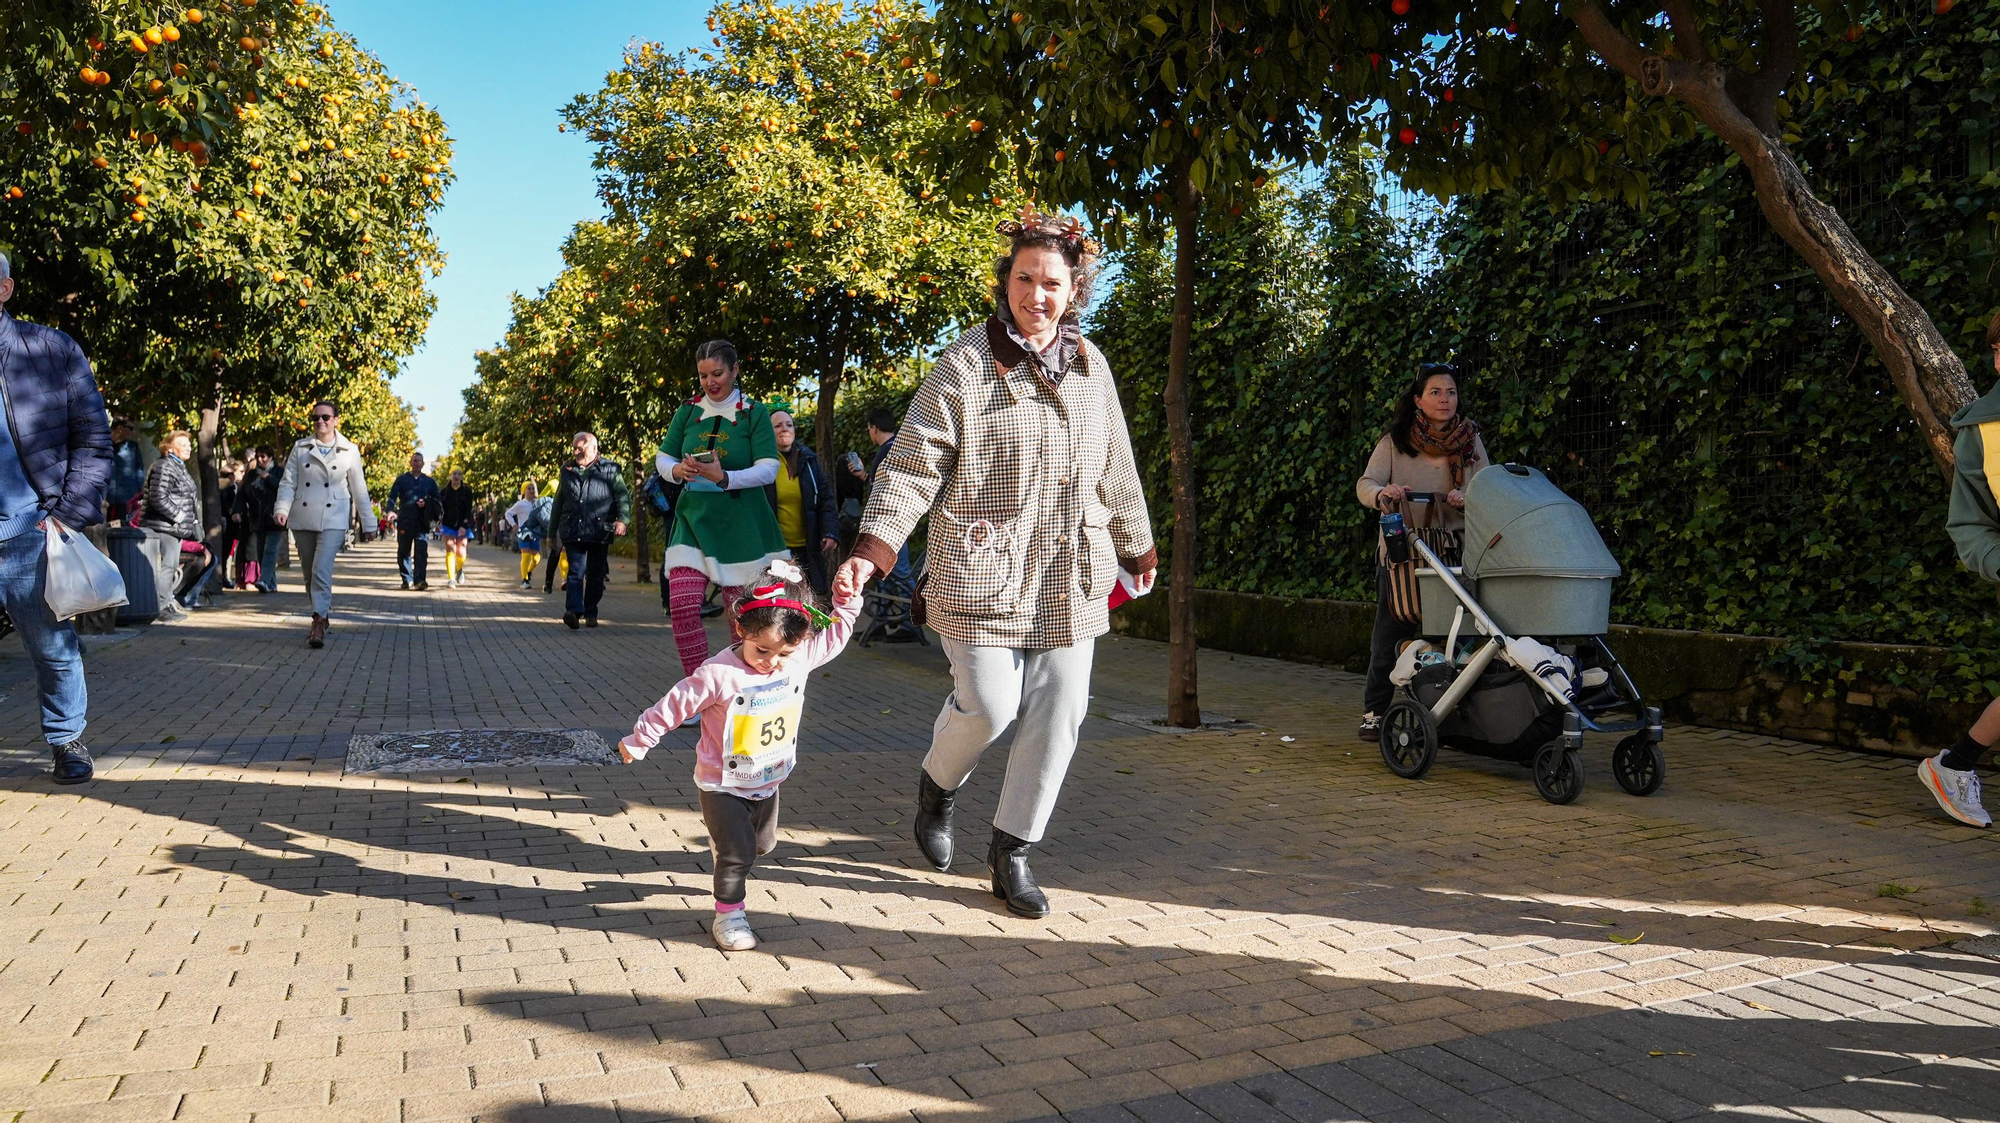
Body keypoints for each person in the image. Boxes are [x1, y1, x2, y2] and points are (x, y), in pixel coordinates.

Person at [834, 212, 1157, 919]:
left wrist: (1138, 543)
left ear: (1073, 289)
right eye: (1023, 278)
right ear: (1004, 282)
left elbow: (1117, 463)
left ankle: (1012, 850)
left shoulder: (1092, 365)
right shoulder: (966, 363)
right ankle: (936, 788)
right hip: (981, 569)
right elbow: (912, 466)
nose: (1036, 294)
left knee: (1062, 708)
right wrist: (873, 549)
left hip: (1069, 573)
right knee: (991, 704)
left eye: (1051, 282)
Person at [617, 559, 861, 950]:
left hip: (768, 778)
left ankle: (727, 849)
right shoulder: (719, 674)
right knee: (738, 853)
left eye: (783, 653)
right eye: (762, 650)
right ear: (741, 629)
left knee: (761, 845)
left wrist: (847, 602)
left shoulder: (796, 659)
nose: (772, 662)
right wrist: (640, 738)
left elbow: (836, 634)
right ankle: (729, 915)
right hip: (721, 783)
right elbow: (676, 703)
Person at [0, 252, 113, 784]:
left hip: (30, 530)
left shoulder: (51, 349)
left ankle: (66, 739)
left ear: (6, 290)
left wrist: (68, 514)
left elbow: (92, 438)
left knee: (52, 647)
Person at [1354, 363, 1490, 742]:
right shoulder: (1396, 440)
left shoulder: (1470, 441)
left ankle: (1455, 710)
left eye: (1450, 392)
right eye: (1435, 392)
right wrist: (1384, 494)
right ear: (1417, 400)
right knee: (1390, 630)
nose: (1445, 400)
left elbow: (1488, 487)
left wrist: (1469, 498)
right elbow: (1367, 482)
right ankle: (1375, 712)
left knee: (1458, 635)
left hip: (1454, 550)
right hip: (1404, 550)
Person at [657, 340, 793, 675]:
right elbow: (664, 457)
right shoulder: (687, 410)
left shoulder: (755, 412)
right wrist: (677, 470)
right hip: (694, 521)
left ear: (735, 370)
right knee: (683, 606)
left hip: (742, 525)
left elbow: (767, 468)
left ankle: (740, 689)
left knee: (742, 617)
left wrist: (725, 477)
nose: (709, 382)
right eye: (703, 375)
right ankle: (698, 688)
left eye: (717, 373)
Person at [1927, 311, 2000, 828]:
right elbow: (1968, 524)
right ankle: (1954, 765)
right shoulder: (1982, 432)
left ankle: (1954, 764)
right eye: (1998, 349)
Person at [274, 400, 379, 648]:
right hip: (303, 515)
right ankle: (321, 612)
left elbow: (359, 488)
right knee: (310, 572)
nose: (320, 421)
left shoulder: (349, 449)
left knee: (321, 569)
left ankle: (318, 622)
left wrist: (369, 522)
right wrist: (281, 508)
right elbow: (288, 482)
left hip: (334, 517)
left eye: (326, 417)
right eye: (316, 418)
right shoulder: (300, 448)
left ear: (336, 420)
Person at [548, 432, 630, 628]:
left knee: (596, 573)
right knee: (575, 571)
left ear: (594, 448)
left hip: (599, 528)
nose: (576, 452)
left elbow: (622, 496)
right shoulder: (567, 469)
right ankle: (574, 612)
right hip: (573, 527)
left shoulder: (611, 469)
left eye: (580, 448)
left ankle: (591, 611)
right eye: (574, 447)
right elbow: (558, 501)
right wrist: (552, 532)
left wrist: (623, 520)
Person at [767, 409, 840, 595]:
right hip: (775, 549)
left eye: (789, 424)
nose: (784, 429)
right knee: (778, 601)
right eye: (777, 425)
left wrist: (830, 532)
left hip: (808, 547)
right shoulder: (762, 463)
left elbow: (826, 499)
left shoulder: (809, 460)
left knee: (810, 599)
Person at [137, 430, 208, 613]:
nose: (188, 448)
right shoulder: (164, 466)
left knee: (170, 566)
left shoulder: (178, 467)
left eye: (189, 445)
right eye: (183, 445)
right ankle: (161, 607)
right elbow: (158, 497)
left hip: (174, 528)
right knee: (167, 567)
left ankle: (167, 603)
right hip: (163, 526)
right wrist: (180, 517)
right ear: (169, 448)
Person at [386, 451, 440, 591]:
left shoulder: (429, 482)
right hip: (405, 520)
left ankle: (420, 580)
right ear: (410, 462)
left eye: (419, 460)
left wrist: (426, 503)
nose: (417, 463)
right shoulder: (402, 480)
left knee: (421, 552)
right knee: (403, 551)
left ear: (423, 464)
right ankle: (407, 579)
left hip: (422, 522)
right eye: (414, 460)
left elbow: (437, 501)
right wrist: (390, 511)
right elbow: (392, 496)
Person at [236, 446, 280, 592]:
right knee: (261, 552)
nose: (260, 460)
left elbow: (283, 489)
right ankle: (271, 585)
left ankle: (264, 580)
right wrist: (237, 511)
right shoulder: (251, 475)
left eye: (264, 456)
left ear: (271, 457)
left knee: (271, 551)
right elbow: (242, 494)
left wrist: (269, 478)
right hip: (257, 519)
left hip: (275, 519)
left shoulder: (279, 472)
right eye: (258, 457)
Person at [504, 480, 546, 587]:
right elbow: (508, 513)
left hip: (535, 532)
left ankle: (528, 572)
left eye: (533, 488)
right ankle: (524, 580)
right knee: (526, 555)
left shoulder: (538, 503)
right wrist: (513, 524)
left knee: (536, 558)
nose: (531, 491)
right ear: (524, 491)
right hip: (523, 532)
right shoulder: (520, 504)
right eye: (529, 488)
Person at [437, 468, 474, 587]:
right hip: (448, 525)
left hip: (463, 525)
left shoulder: (467, 491)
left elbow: (468, 510)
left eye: (459, 474)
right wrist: (438, 522)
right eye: (454, 474)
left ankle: (459, 568)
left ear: (462, 477)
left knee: (461, 550)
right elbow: (440, 509)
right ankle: (451, 579)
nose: (456, 476)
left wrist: (464, 525)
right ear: (450, 476)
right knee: (450, 548)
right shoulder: (444, 492)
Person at [106, 418, 143, 525]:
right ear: (120, 428)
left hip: (127, 499)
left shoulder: (133, 447)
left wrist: (138, 491)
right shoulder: (104, 445)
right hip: (106, 498)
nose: (133, 432)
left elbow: (139, 469)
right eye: (130, 428)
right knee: (105, 531)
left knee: (122, 528)